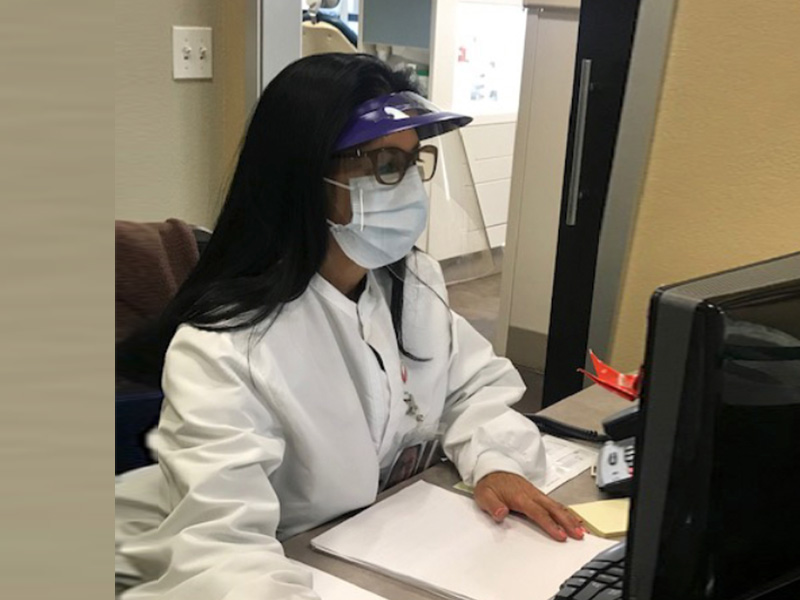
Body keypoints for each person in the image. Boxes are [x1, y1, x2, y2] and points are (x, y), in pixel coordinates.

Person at [115, 52, 585, 600]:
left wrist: (495, 461)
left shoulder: (411, 283)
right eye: (385, 164)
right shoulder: (225, 346)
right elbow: (223, 550)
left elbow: (472, 388)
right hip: (240, 559)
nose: (408, 187)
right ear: (303, 179)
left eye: (413, 163)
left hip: (360, 543)